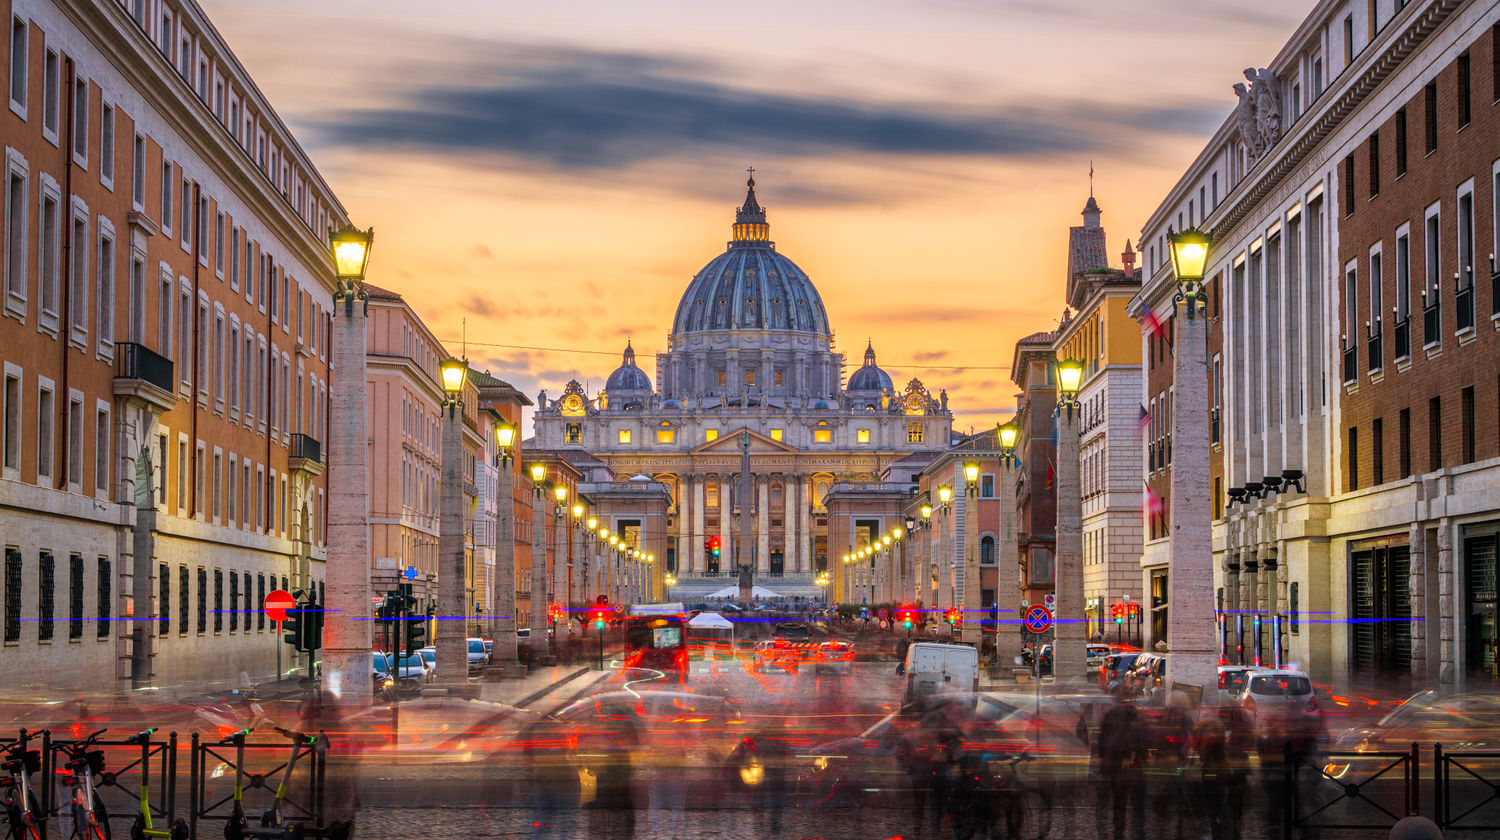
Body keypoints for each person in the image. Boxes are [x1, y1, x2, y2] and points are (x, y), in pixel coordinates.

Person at [1097, 697, 1147, 840]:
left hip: (1117, 764)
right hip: (1132, 765)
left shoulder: (1111, 715)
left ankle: (1119, 830)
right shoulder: (1139, 717)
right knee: (1137, 803)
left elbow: (1103, 741)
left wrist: (1104, 759)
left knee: (1119, 802)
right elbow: (1145, 739)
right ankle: (1137, 830)